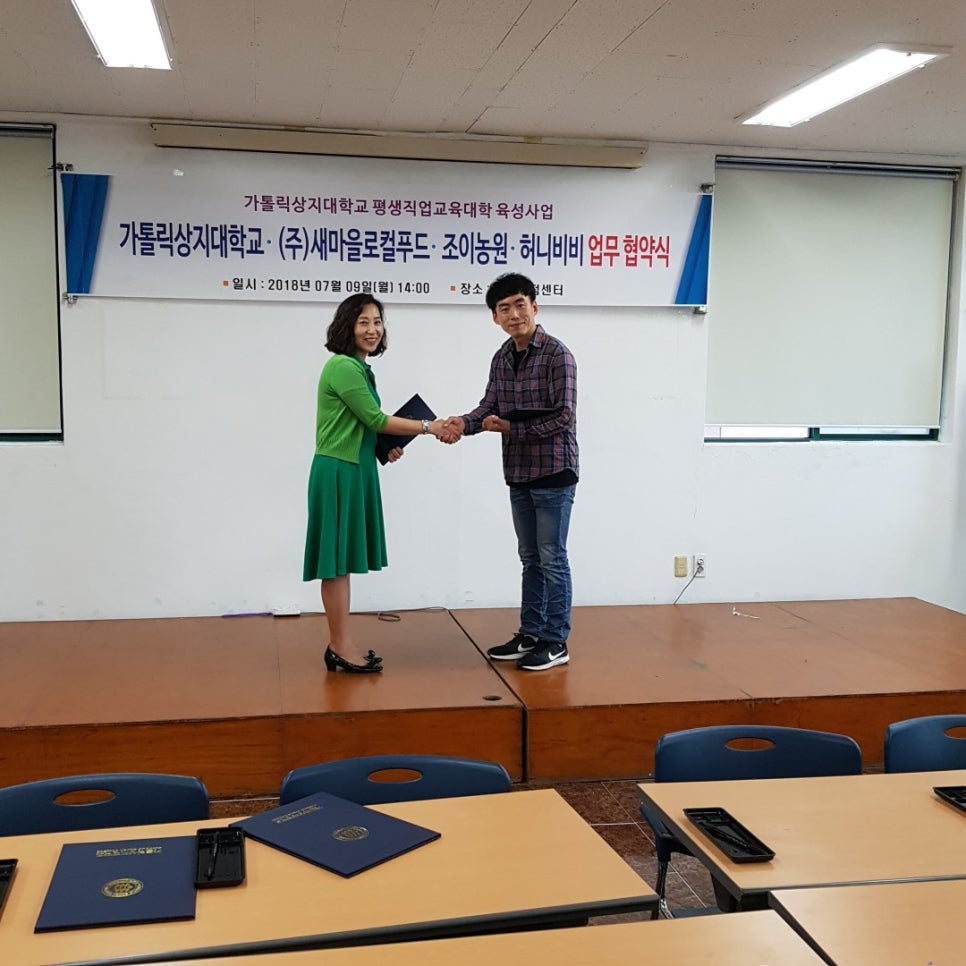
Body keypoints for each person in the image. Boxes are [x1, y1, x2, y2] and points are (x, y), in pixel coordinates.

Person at [303, 293, 453, 673]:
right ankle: (338, 645)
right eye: (363, 322)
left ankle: (340, 643)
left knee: (342, 562)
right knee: (335, 564)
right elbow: (375, 418)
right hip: (339, 471)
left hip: (354, 467)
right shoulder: (343, 366)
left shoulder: (360, 368)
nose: (373, 330)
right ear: (347, 327)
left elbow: (361, 425)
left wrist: (381, 448)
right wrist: (429, 427)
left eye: (377, 322)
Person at [446, 273, 578, 671]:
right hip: (519, 472)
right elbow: (489, 406)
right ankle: (530, 633)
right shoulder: (502, 357)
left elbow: (564, 416)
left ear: (535, 307)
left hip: (554, 471)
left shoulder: (557, 355)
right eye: (504, 308)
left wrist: (512, 429)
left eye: (520, 305)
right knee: (530, 558)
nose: (514, 314)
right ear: (495, 317)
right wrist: (461, 424)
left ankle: (556, 641)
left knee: (552, 557)